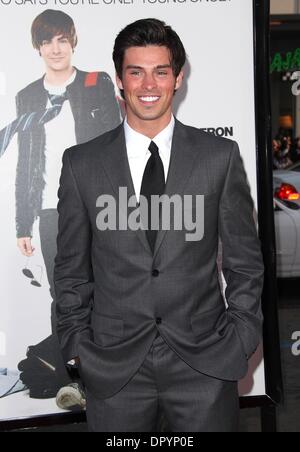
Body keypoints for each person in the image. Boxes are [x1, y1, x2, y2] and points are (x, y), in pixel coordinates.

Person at [54, 18, 264, 432]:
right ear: (119, 80)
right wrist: (77, 346)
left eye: (160, 71)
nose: (148, 84)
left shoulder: (218, 157)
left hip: (204, 365)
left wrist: (240, 339)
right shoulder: (81, 164)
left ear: (178, 78)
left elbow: (245, 263)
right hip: (114, 370)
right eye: (136, 71)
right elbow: (71, 271)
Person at [15, 9, 121, 406]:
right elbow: (27, 162)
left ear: (72, 41)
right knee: (66, 298)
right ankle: (73, 379)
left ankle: (109, 375)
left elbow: (116, 146)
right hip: (49, 213)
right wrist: (22, 223)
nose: (55, 49)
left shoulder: (96, 83)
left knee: (109, 290)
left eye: (62, 39)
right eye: (47, 41)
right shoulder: (27, 95)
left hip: (98, 206)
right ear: (38, 47)